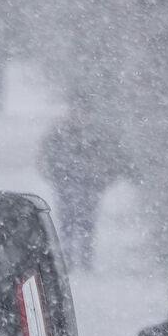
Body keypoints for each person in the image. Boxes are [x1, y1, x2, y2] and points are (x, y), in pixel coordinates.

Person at [38, 113, 127, 271]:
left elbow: (111, 158)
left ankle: (82, 257)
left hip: (86, 183)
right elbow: (46, 156)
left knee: (84, 222)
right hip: (70, 182)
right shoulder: (64, 133)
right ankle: (72, 257)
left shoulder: (91, 134)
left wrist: (104, 178)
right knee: (69, 221)